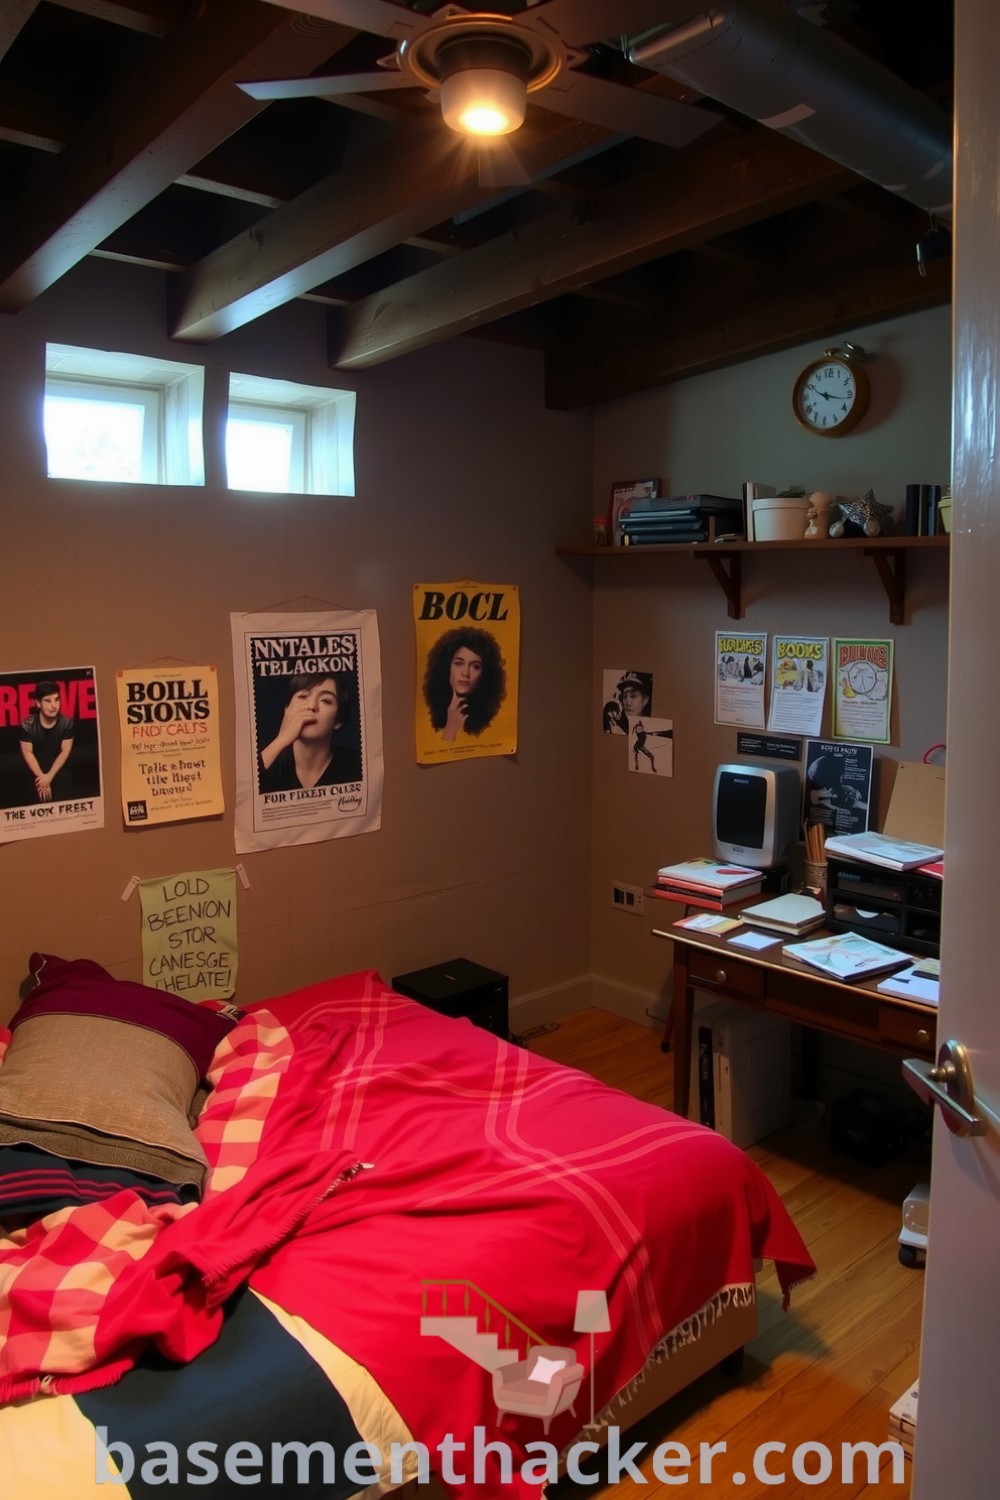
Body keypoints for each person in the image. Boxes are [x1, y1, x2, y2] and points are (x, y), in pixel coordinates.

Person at [258, 669, 362, 793]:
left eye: (325, 701)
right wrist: (282, 739)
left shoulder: (357, 765)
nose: (311, 706)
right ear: (287, 711)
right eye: (303, 696)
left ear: (338, 720)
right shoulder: (268, 759)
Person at [422, 627, 506, 741]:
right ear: (446, 667)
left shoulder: (489, 719)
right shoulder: (430, 711)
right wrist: (450, 729)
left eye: (475, 666)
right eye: (458, 663)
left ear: (485, 673)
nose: (465, 673)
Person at [19, 681, 74, 802]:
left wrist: (49, 777)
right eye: (48, 701)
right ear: (38, 703)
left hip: (60, 776)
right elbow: (28, 753)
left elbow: (65, 751)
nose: (54, 705)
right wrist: (43, 779)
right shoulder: (27, 725)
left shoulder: (67, 723)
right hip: (36, 778)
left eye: (56, 700)